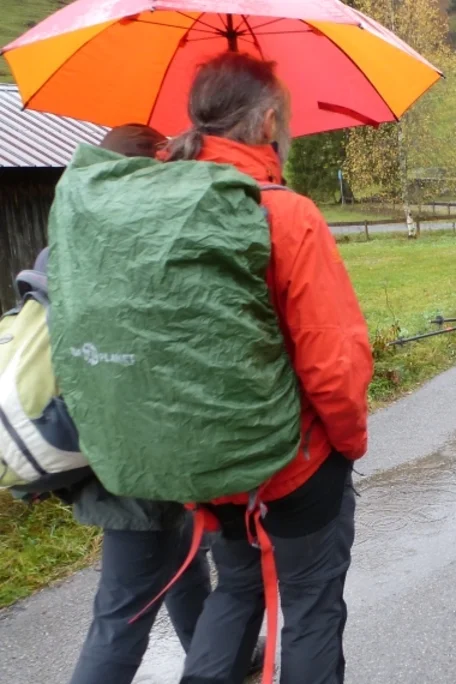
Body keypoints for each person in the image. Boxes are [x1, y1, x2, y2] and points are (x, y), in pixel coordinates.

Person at [161, 53, 373, 684]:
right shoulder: (287, 215)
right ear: (269, 121)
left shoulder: (159, 212)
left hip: (205, 463)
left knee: (235, 588)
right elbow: (332, 365)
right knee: (311, 606)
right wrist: (348, 445)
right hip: (293, 467)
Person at [61, 124, 265, 684]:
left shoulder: (76, 231)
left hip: (109, 439)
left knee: (181, 557)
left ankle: (214, 655)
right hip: (142, 450)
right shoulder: (148, 239)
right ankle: (213, 660)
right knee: (122, 615)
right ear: (154, 162)